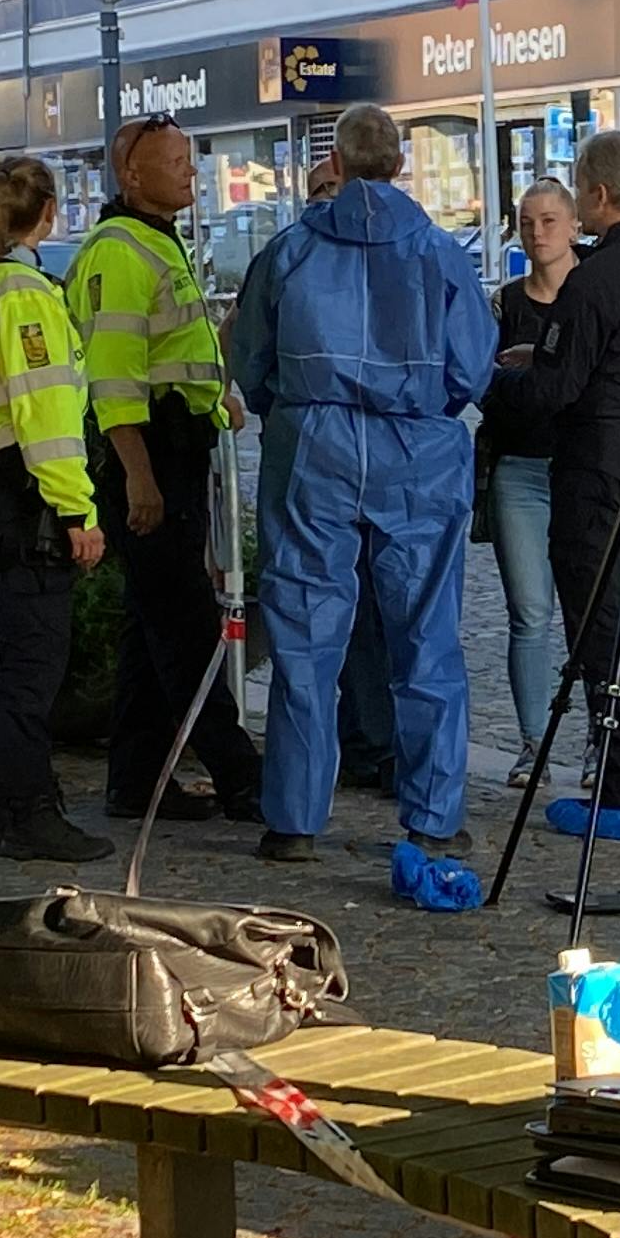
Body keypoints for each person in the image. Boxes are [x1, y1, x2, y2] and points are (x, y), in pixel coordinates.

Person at [240, 103, 498, 864]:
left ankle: (293, 818)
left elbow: (249, 360)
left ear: (340, 165)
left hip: (313, 445)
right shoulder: (440, 254)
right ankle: (433, 813)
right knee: (424, 634)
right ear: (400, 165)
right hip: (415, 448)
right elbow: (471, 368)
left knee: (305, 632)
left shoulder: (290, 251)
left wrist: (293, 410)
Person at [486, 130, 620, 842]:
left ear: (600, 196)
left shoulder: (596, 279)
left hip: (595, 479)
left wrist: (496, 383)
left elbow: (558, 390)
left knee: (603, 627)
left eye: (580, 191)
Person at [76, 112, 264, 824]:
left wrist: (217, 398)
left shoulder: (157, 241)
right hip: (147, 455)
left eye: (190, 158)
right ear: (133, 174)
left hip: (176, 445)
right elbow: (116, 379)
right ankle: (243, 776)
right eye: (177, 161)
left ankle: (132, 781)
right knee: (185, 626)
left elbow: (170, 352)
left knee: (150, 624)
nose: (192, 171)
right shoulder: (121, 251)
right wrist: (138, 476)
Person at [0, 157, 115, 865]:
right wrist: (79, 514)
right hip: (28, 489)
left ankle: (2, 807)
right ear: (47, 214)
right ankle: (31, 812)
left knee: (2, 653)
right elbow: (47, 414)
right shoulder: (25, 295)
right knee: (34, 665)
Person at [232, 155, 400, 792]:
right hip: (337, 450)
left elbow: (252, 358)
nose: (330, 201)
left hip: (340, 449)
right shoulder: (294, 255)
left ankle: (361, 757)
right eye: (319, 191)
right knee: (311, 625)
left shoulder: (301, 254)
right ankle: (317, 787)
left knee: (374, 619)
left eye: (337, 187)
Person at [477, 179, 581, 777]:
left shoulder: (593, 294)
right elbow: (481, 384)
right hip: (519, 469)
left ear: (572, 226)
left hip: (581, 466)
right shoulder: (503, 303)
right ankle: (532, 743)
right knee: (529, 611)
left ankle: (600, 738)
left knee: (588, 610)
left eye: (548, 221)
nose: (538, 233)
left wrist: (535, 366)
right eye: (527, 222)